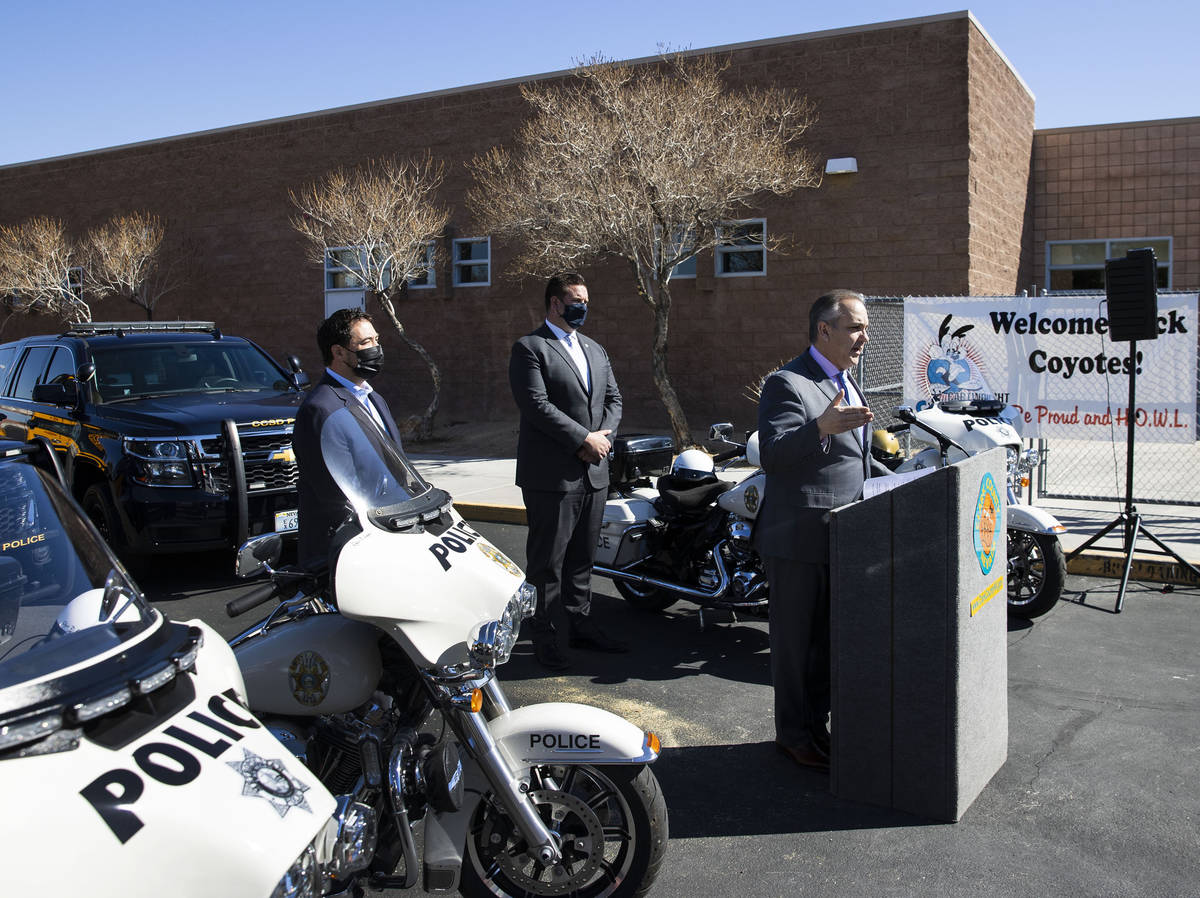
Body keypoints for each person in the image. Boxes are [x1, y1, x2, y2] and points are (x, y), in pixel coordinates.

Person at [755, 289, 891, 771]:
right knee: (795, 649)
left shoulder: (851, 382)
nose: (864, 337)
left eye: (866, 327)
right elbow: (772, 453)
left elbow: (861, 460)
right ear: (824, 330)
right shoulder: (787, 383)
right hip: (799, 537)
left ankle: (817, 727)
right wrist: (819, 427)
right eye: (856, 327)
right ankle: (793, 735)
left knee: (826, 647)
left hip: (845, 534)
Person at [509, 272, 625, 670]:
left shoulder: (595, 349)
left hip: (594, 473)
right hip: (552, 477)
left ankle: (580, 624)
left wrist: (603, 437)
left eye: (587, 300)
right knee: (547, 565)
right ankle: (543, 635)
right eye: (576, 300)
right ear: (555, 303)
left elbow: (613, 397)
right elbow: (536, 406)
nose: (584, 308)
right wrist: (583, 439)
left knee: (582, 559)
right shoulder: (530, 348)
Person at [293, 307, 399, 568]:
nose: (376, 348)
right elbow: (335, 494)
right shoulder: (320, 409)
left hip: (388, 538)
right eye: (365, 343)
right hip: (346, 552)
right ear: (338, 352)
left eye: (376, 340)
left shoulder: (374, 398)